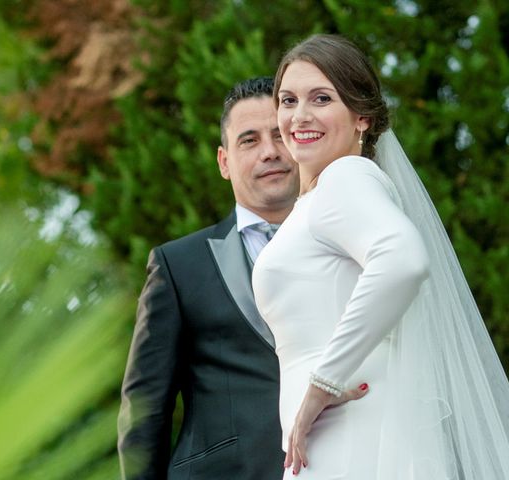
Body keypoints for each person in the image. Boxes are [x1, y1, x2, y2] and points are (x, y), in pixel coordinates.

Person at [252, 34, 509, 479]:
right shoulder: (317, 202)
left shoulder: (345, 180)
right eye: (288, 100)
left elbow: (403, 259)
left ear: (362, 117)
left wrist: (321, 384)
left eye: (321, 98)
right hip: (330, 438)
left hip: (353, 433)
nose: (300, 115)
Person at [117, 76, 299, 479]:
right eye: (249, 141)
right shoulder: (177, 265)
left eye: (281, 135)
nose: (269, 152)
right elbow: (145, 409)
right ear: (224, 161)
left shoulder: (350, 246)